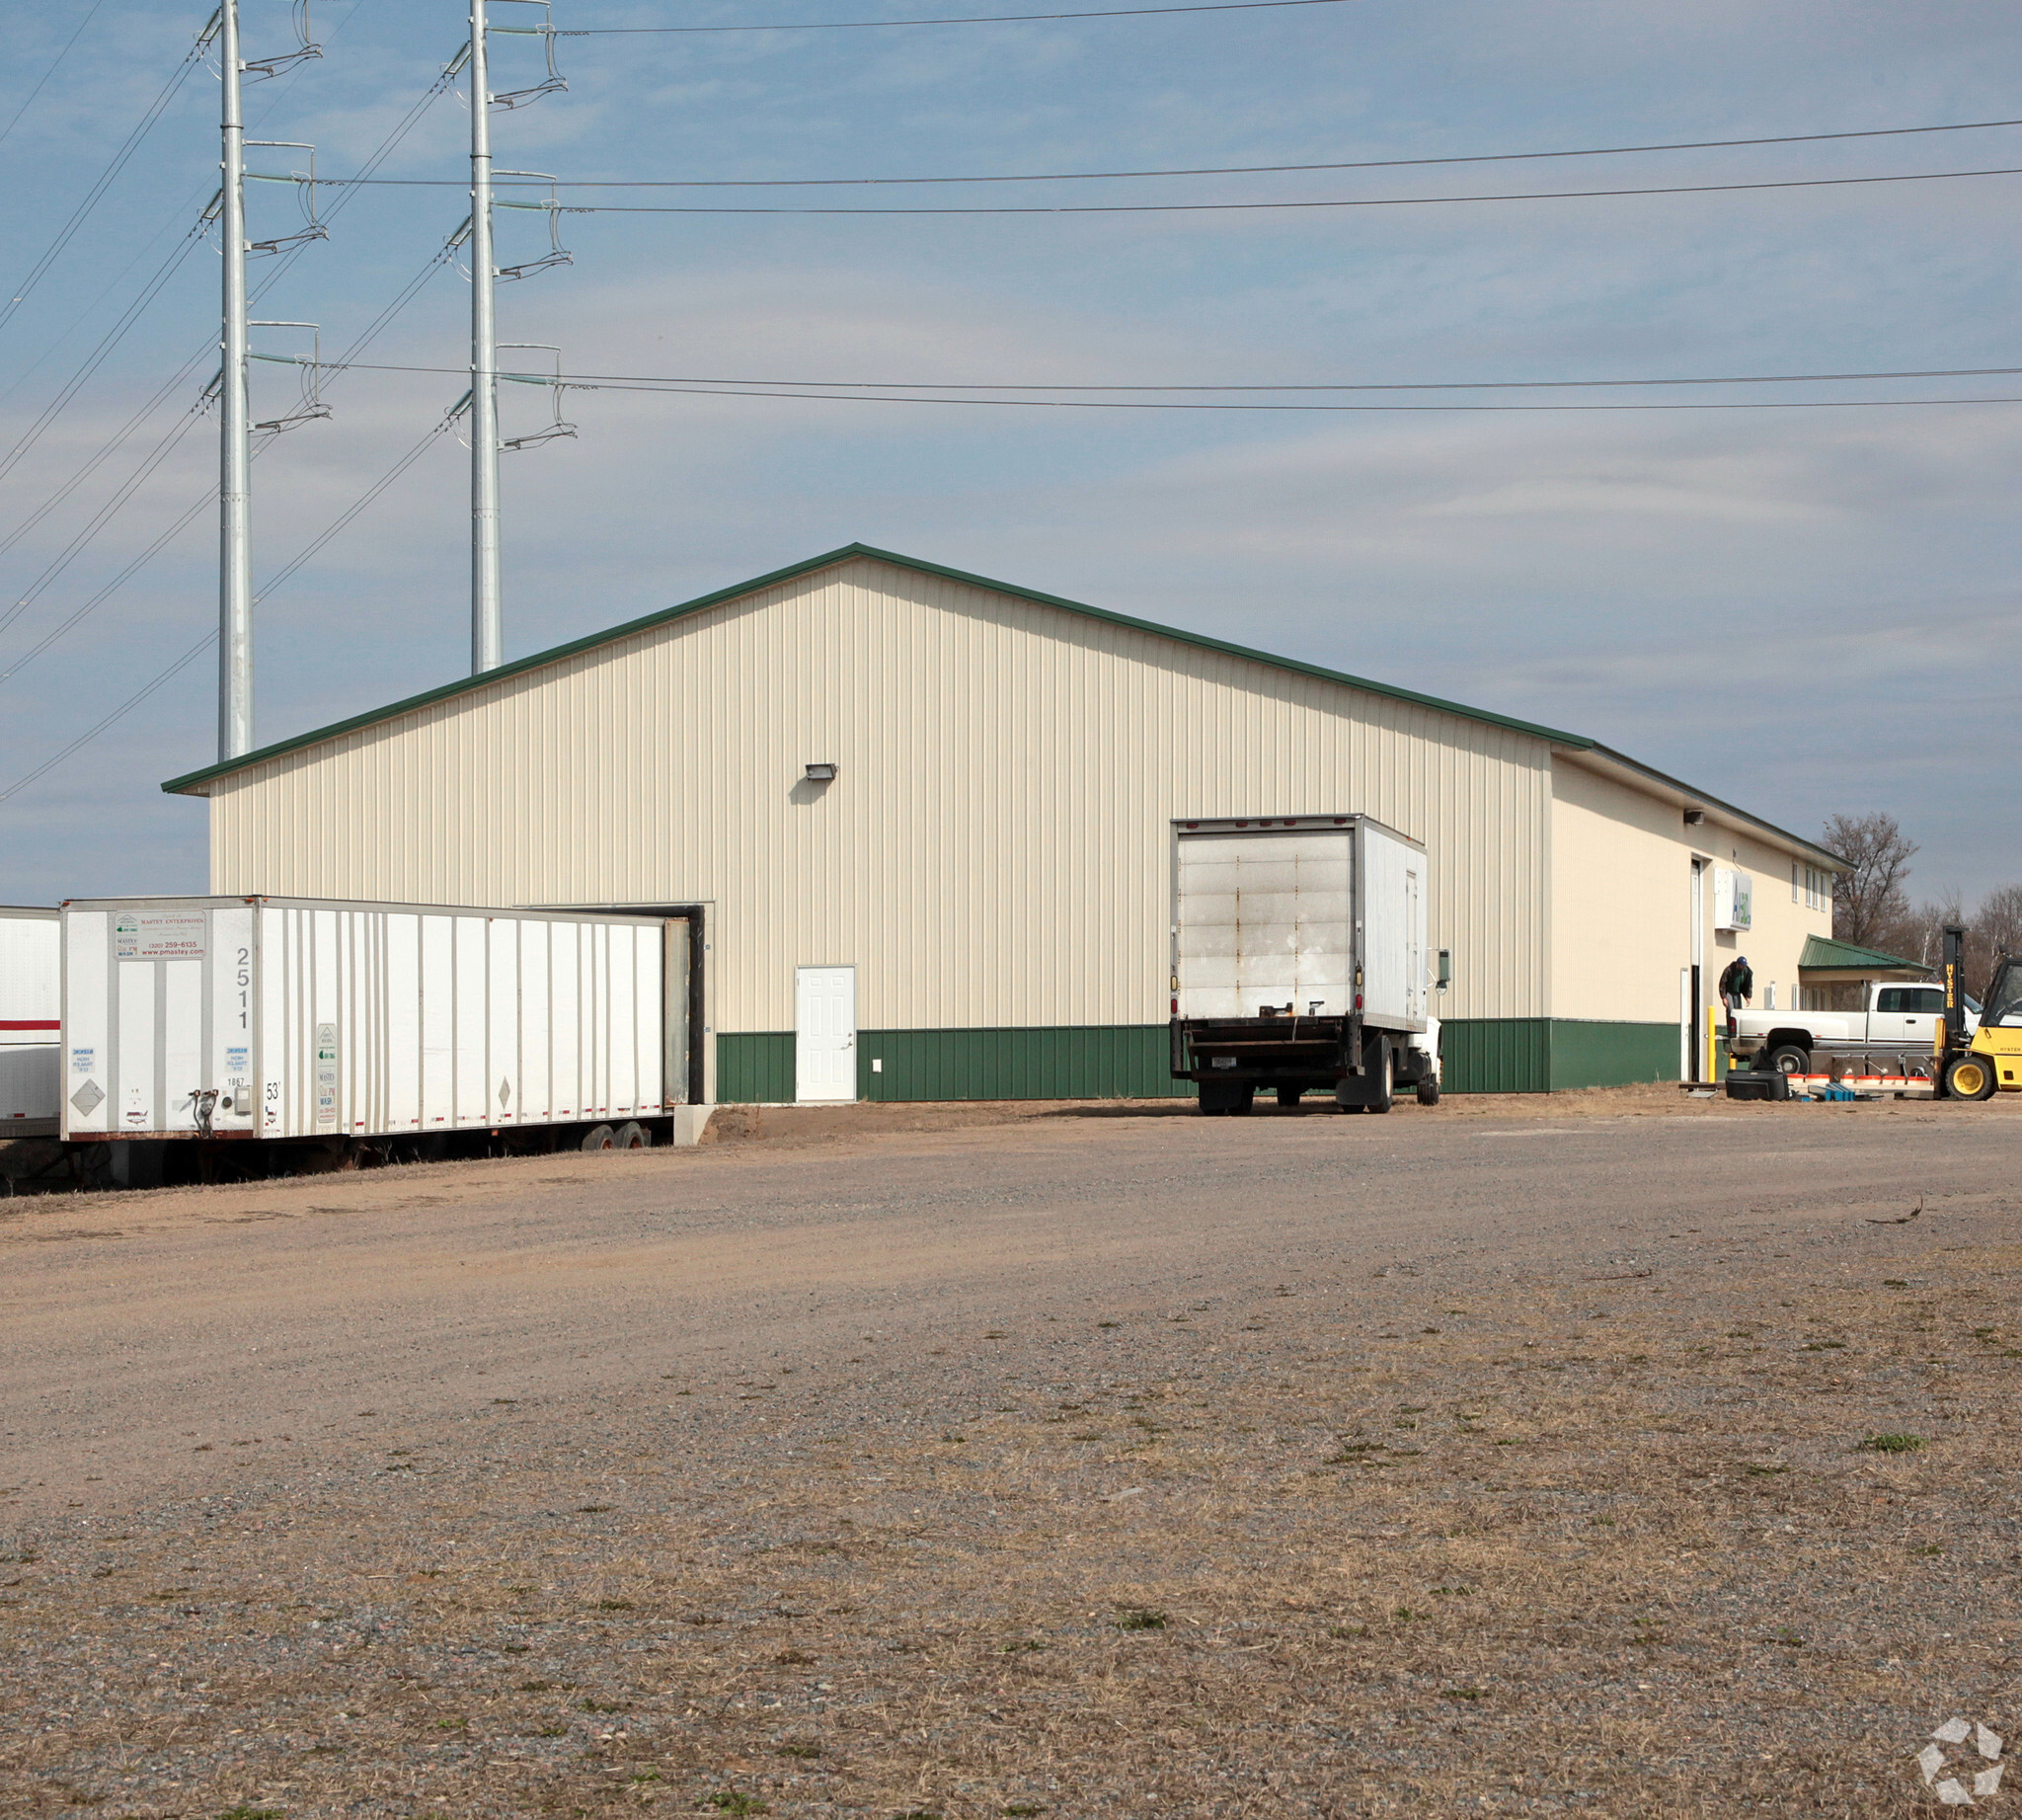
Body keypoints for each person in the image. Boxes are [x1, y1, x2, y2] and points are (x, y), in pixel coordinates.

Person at [1718, 955, 1753, 1039]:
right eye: (1742, 965)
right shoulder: (1729, 970)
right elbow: (1722, 983)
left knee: (1738, 1012)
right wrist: (1723, 997)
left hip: (1737, 993)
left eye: (1744, 965)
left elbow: (1749, 984)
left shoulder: (1747, 972)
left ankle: (1738, 1031)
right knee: (1731, 1010)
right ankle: (1730, 1031)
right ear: (1738, 964)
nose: (1743, 967)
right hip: (1729, 992)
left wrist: (1748, 996)